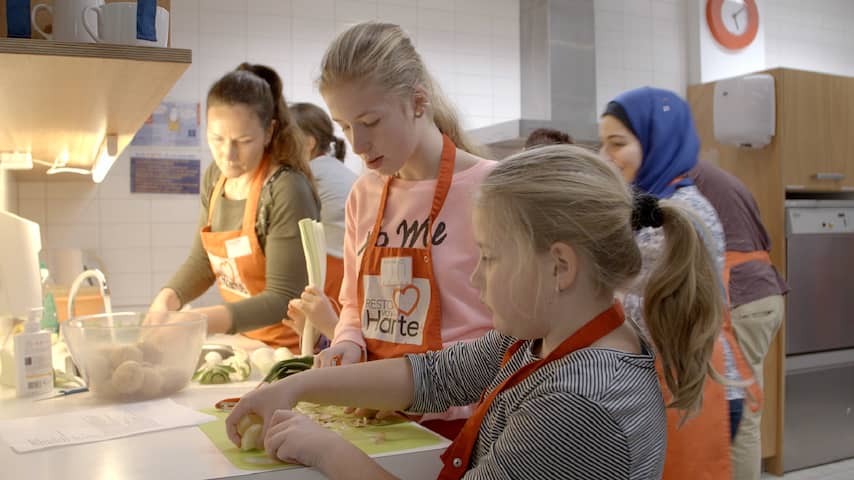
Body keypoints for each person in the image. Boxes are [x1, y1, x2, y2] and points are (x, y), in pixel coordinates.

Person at [224, 145, 726, 479]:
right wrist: (295, 386)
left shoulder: (581, 403)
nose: (474, 276)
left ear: (560, 267)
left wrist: (329, 450)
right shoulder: (541, 337)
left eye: (489, 257)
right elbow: (433, 374)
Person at [290, 22, 496, 437]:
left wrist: (412, 389)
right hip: (380, 409)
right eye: (345, 126)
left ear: (418, 101)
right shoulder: (363, 193)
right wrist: (348, 344)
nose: (359, 144)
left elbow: (516, 331)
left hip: (464, 420)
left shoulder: (492, 190)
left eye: (370, 121)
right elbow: (353, 302)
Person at [599, 86, 761, 480]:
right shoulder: (653, 205)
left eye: (617, 143)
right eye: (602, 143)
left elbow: (640, 316)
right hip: (679, 382)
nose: (605, 157)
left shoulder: (675, 215)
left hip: (688, 387)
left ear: (658, 141)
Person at [148, 63, 320, 351]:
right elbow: (202, 262)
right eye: (217, 139)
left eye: (244, 141)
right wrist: (168, 297)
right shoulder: (215, 179)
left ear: (269, 132)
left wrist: (198, 320)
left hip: (287, 350)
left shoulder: (285, 189)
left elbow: (284, 297)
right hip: (245, 342)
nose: (227, 155)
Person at [688, 159, 789, 480]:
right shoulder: (709, 175)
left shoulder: (679, 179)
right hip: (760, 294)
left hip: (742, 299)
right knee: (740, 409)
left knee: (741, 412)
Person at [285, 102, 358, 339]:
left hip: (334, 271)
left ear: (308, 143)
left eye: (285, 139)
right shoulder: (336, 168)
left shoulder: (311, 174)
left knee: (327, 339)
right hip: (347, 268)